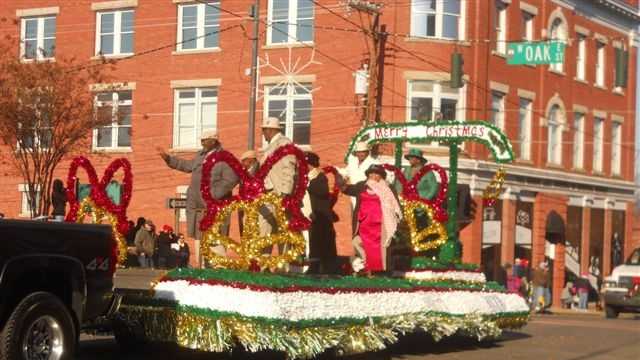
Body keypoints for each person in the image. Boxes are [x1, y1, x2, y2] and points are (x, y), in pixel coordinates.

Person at [158, 129, 239, 263]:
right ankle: (201, 273)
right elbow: (187, 165)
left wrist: (213, 194)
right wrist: (168, 159)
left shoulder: (225, 157)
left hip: (214, 210)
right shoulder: (200, 156)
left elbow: (232, 179)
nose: (202, 142)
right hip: (198, 208)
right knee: (199, 241)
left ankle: (217, 274)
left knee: (215, 242)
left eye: (204, 140)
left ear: (213, 141)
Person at [341, 164, 402, 275]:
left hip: (381, 226)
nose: (373, 176)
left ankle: (380, 272)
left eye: (376, 173)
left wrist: (396, 220)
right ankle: (367, 267)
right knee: (357, 243)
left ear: (381, 176)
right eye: (371, 173)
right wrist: (341, 182)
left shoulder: (388, 188)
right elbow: (347, 189)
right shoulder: (362, 186)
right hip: (364, 224)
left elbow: (396, 205)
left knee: (381, 250)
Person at [259, 117, 296, 257]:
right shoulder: (270, 146)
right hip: (267, 194)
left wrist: (285, 193)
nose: (263, 133)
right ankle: (264, 264)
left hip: (279, 193)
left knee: (282, 230)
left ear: (271, 130)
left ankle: (283, 264)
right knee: (265, 229)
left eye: (264, 130)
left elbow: (289, 168)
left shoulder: (284, 143)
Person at [303, 152, 338, 275]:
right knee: (313, 241)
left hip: (320, 215)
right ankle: (314, 266)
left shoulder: (319, 177)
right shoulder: (305, 177)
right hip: (311, 214)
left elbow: (322, 191)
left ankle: (328, 267)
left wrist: (307, 186)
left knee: (322, 241)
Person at [239, 150, 259, 236]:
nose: (242, 163)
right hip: (244, 206)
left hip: (253, 208)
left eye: (244, 161)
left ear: (250, 160)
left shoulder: (258, 171)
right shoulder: (245, 172)